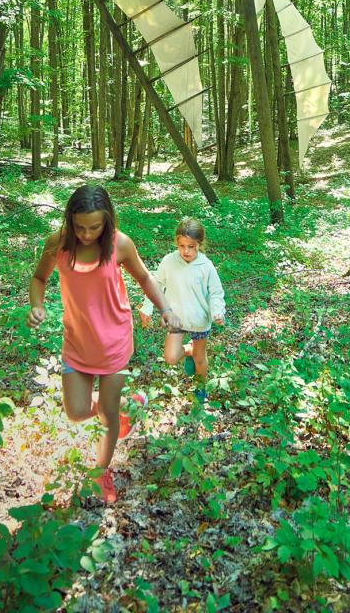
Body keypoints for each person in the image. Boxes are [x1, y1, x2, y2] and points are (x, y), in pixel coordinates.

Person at [27, 184, 179, 504]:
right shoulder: (57, 244)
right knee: (77, 412)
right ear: (69, 220)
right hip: (77, 341)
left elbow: (145, 278)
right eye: (79, 226)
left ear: (107, 220)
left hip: (114, 340)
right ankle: (128, 403)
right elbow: (39, 278)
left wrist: (165, 309)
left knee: (107, 417)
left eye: (94, 226)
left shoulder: (119, 244)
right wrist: (37, 305)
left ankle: (101, 472)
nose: (86, 233)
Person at [140, 217, 225, 403]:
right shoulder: (169, 261)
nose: (186, 251)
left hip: (199, 320)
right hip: (176, 319)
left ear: (199, 245)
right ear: (176, 243)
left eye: (191, 246)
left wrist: (218, 310)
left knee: (200, 359)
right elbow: (156, 284)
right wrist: (147, 306)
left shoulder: (206, 266)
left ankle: (201, 389)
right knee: (170, 357)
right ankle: (188, 350)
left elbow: (216, 293)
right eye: (182, 246)